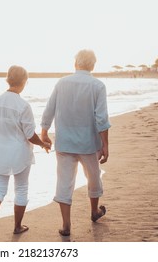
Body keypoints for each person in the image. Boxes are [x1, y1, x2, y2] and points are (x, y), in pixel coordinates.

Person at [40, 49, 111, 236]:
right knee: (94, 178)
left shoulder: (62, 83)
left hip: (64, 143)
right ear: (93, 65)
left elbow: (49, 109)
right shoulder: (98, 86)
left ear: (75, 64)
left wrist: (44, 132)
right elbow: (102, 118)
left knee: (64, 182)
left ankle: (66, 224)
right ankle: (94, 211)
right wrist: (105, 144)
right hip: (88, 144)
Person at [0, 65, 51, 242]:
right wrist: (43, 143)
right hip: (19, 153)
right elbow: (29, 135)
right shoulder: (23, 105)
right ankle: (17, 226)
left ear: (8, 79)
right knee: (21, 189)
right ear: (24, 82)